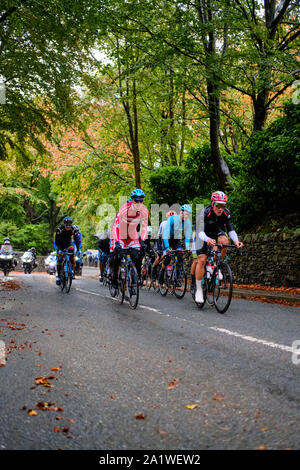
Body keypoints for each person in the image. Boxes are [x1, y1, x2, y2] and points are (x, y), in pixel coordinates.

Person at [194, 191, 243, 303]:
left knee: (225, 240)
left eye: (223, 206)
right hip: (201, 234)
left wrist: (236, 241)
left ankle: (216, 265)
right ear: (212, 204)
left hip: (216, 231)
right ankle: (198, 290)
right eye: (218, 206)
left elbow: (230, 229)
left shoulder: (226, 213)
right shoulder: (204, 213)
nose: (220, 209)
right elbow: (200, 232)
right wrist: (208, 240)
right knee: (201, 260)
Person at [111, 188, 148, 288]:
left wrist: (143, 240)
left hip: (132, 234)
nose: (139, 202)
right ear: (132, 200)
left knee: (137, 255)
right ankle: (114, 277)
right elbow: (115, 225)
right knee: (118, 255)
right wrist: (117, 242)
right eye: (136, 200)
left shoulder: (144, 210)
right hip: (120, 233)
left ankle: (135, 278)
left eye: (141, 200)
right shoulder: (124, 208)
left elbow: (144, 227)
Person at [158, 205, 192, 285]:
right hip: (167, 238)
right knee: (168, 256)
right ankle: (162, 272)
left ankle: (176, 277)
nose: (187, 216)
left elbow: (187, 236)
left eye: (188, 214)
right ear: (181, 212)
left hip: (176, 239)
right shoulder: (172, 219)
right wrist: (167, 248)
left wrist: (188, 247)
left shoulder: (188, 222)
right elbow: (165, 234)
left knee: (180, 257)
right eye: (185, 214)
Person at [54, 216, 81, 286]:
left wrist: (78, 249)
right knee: (59, 259)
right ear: (64, 225)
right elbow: (56, 241)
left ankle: (71, 269)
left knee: (72, 253)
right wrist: (59, 250)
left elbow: (76, 240)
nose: (68, 227)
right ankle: (59, 276)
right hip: (59, 243)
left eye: (69, 226)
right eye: (66, 226)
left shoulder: (73, 230)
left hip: (68, 243)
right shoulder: (59, 230)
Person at [152, 210, 177, 280]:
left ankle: (175, 275)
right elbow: (160, 235)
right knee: (161, 256)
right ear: (167, 216)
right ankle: (154, 269)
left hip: (170, 240)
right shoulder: (164, 223)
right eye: (170, 215)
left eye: (173, 215)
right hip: (161, 240)